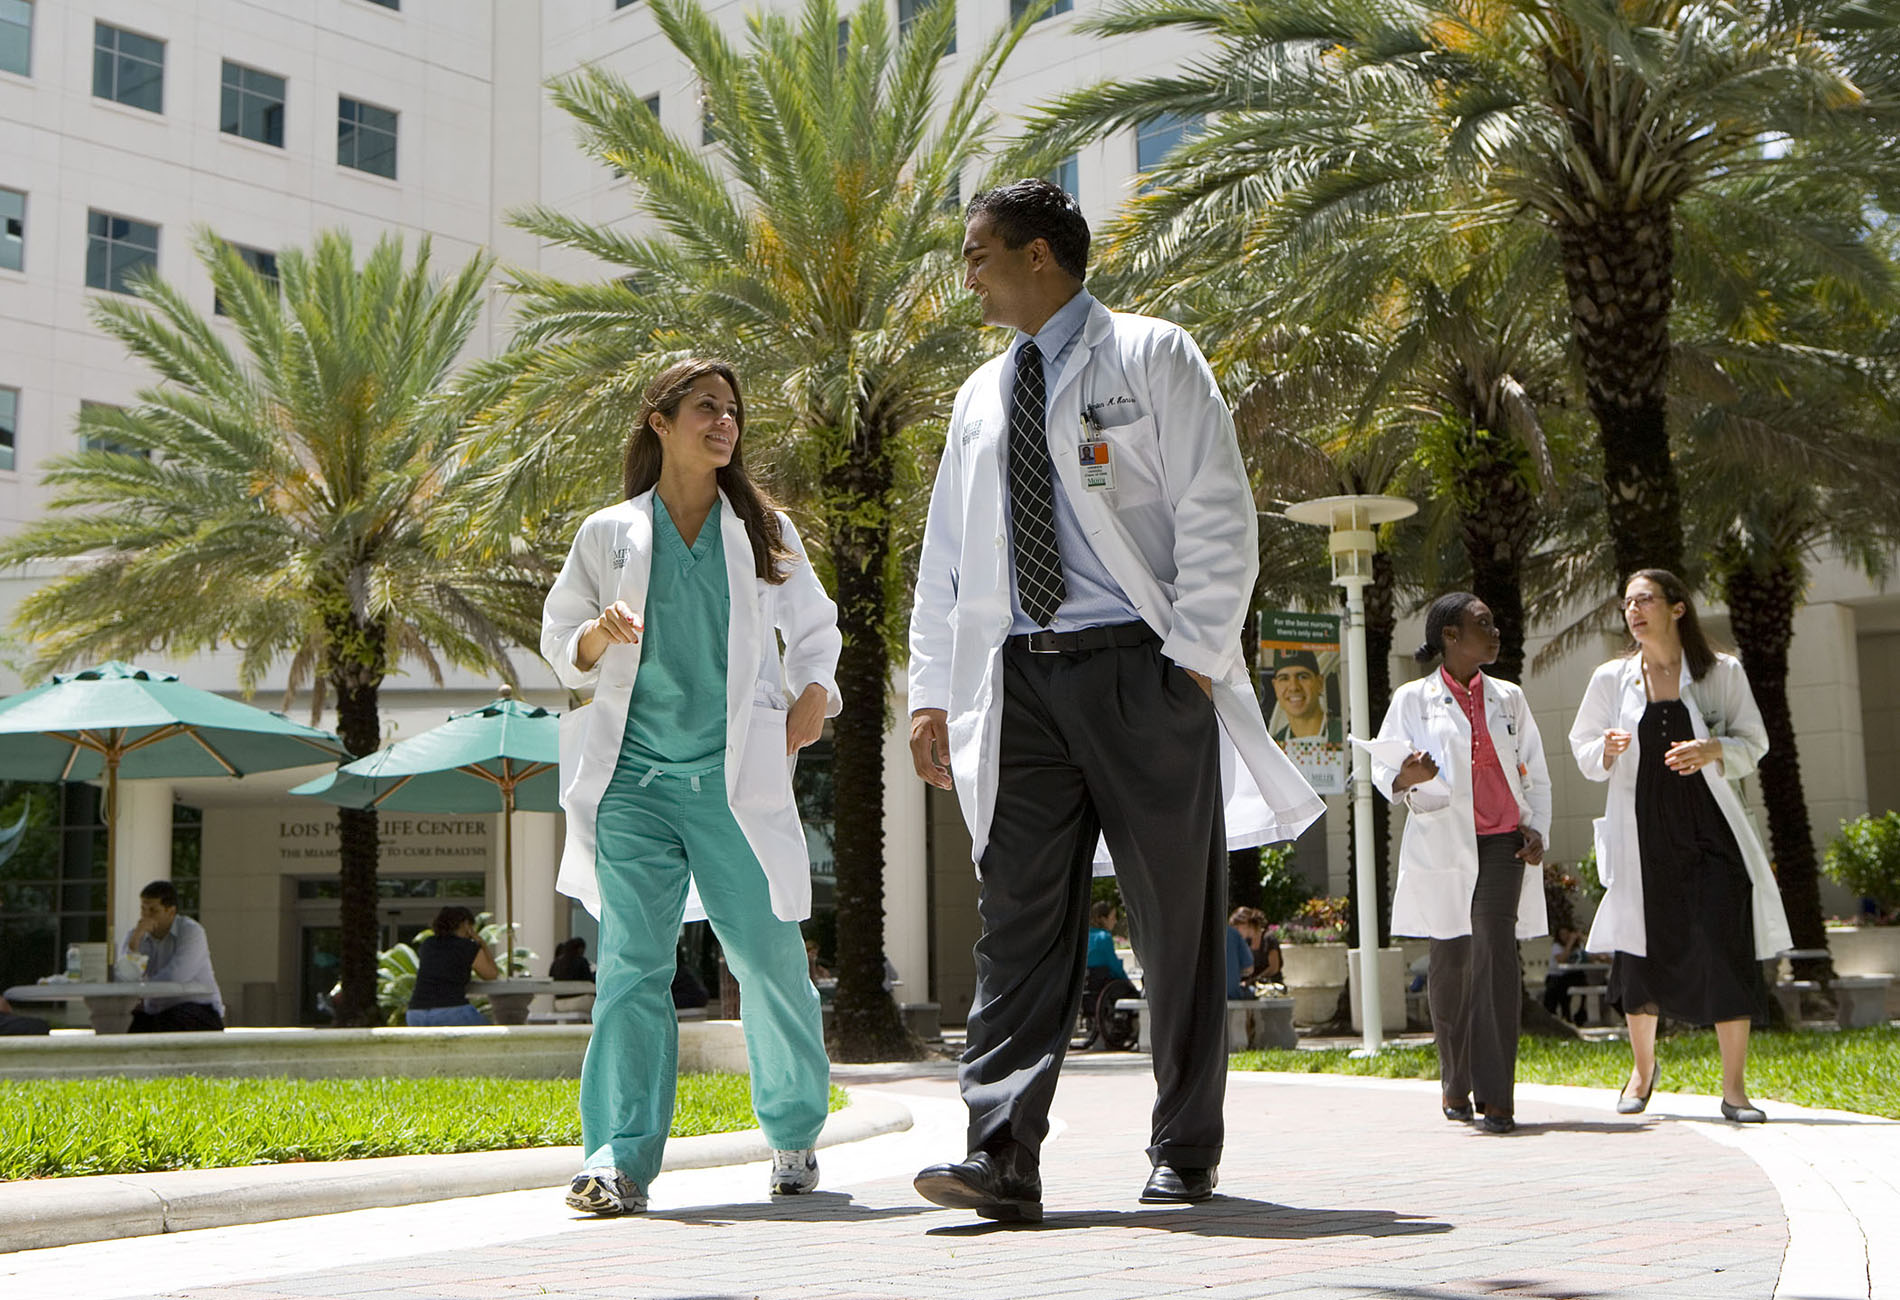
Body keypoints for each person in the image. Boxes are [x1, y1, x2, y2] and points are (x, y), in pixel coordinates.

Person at [906, 179, 1324, 1221]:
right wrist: (927, 694)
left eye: (978, 253)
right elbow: (944, 560)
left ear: (1039, 255)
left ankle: (1184, 1146)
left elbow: (1218, 510)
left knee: (1174, 920)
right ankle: (1002, 1154)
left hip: (1140, 671)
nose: (967, 272)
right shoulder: (976, 396)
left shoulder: (1151, 353)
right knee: (1017, 922)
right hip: (1018, 683)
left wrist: (1187, 657)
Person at [543, 357, 842, 1216]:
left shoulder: (761, 527)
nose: (725, 422)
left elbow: (816, 632)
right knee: (631, 970)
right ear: (660, 421)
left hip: (731, 782)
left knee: (769, 959)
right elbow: (561, 639)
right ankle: (617, 1158)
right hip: (632, 782)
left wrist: (814, 694)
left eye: (733, 410)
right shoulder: (610, 533)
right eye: (705, 407)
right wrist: (597, 636)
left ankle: (792, 1132)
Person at [1568, 569, 1789, 1124]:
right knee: (1639, 956)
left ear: (1678, 608)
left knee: (1724, 946)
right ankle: (1642, 1073)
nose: (1634, 611)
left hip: (1712, 834)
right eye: (1627, 604)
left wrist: (1714, 749)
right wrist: (1609, 749)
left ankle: (1734, 1091)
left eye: (1645, 600)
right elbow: (1583, 747)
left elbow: (1754, 741)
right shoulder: (1611, 679)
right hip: (1644, 837)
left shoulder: (1720, 673)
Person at [1371, 593, 1551, 1134]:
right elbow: (1385, 772)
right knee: (1450, 963)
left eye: (1492, 623)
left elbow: (1534, 770)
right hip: (1445, 841)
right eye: (1483, 624)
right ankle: (1455, 1079)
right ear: (1450, 636)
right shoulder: (1411, 698)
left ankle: (1498, 1099)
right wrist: (1408, 777)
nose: (1494, 632)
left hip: (1503, 842)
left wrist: (1537, 825)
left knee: (1496, 957)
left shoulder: (1510, 698)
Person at [120, 879, 225, 1032]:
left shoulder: (191, 932)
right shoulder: (135, 935)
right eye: (143, 909)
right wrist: (134, 942)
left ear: (171, 911)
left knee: (163, 1025)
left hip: (198, 1010)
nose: (146, 916)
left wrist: (142, 989)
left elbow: (176, 976)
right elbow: (125, 977)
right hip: (156, 1012)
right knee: (122, 1025)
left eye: (153, 910)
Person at [406, 906, 500, 1027]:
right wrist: (482, 943)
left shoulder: (428, 944)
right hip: (451, 1010)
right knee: (490, 1035)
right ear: (466, 924)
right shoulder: (467, 946)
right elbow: (491, 974)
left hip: (415, 1013)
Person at [1268, 650, 1343, 745]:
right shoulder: (1274, 744)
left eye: (1302, 677)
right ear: (1275, 686)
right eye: (1284, 678)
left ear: (1320, 683)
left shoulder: (1343, 735)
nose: (1294, 687)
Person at [1542, 927, 1588, 1022]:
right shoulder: (1557, 946)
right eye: (1562, 934)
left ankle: (1579, 1014)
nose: (1565, 937)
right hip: (1556, 976)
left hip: (1572, 975)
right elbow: (1562, 960)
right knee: (1558, 990)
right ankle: (1559, 1014)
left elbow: (1590, 952)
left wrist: (1581, 937)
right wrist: (1569, 944)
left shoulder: (1578, 947)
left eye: (1567, 934)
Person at [1230, 907, 1282, 988]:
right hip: (1251, 985)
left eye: (1237, 928)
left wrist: (1253, 981)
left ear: (1247, 924)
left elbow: (1274, 968)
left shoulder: (1268, 939)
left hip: (1270, 985)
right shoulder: (1246, 942)